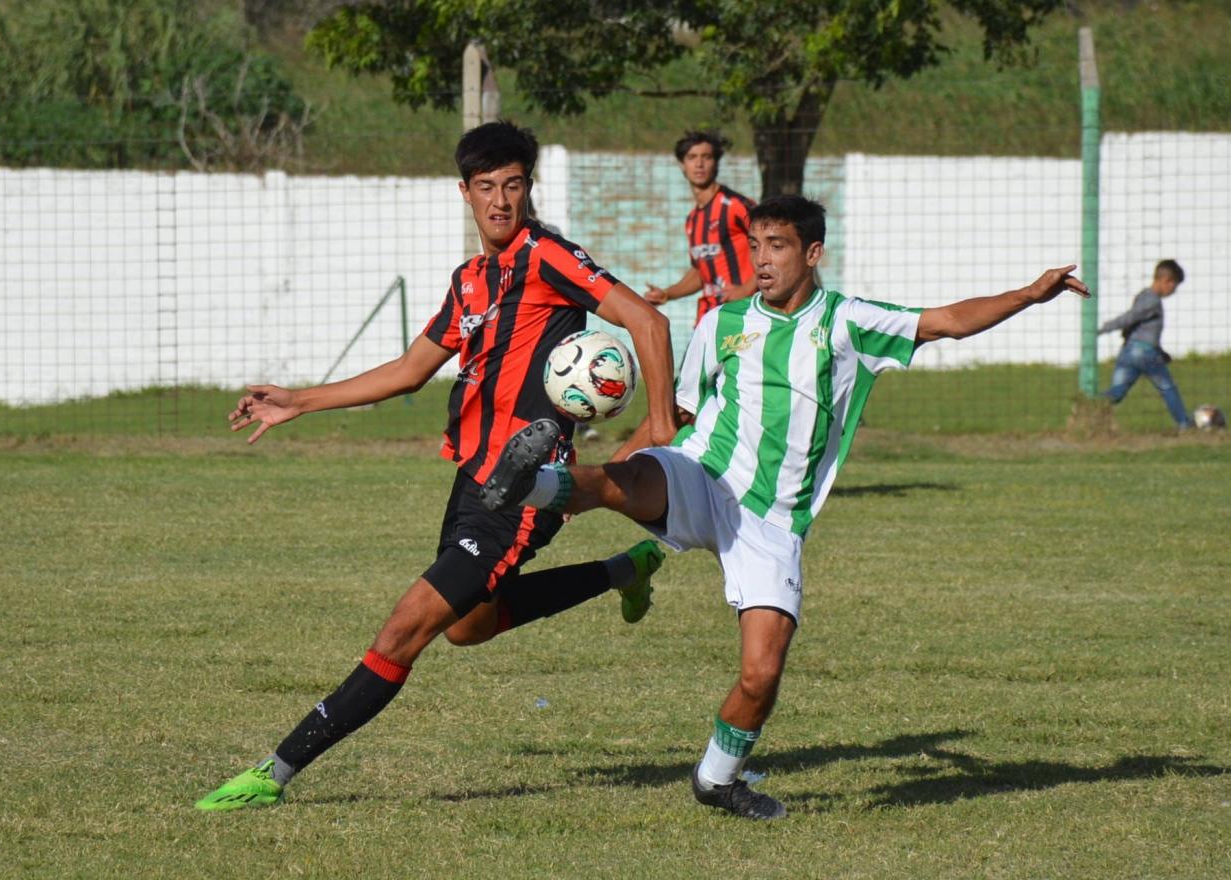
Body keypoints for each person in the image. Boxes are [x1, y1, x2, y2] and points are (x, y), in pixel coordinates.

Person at [481, 195, 1090, 820]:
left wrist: (1028, 294)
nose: (763, 261)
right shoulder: (722, 322)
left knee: (760, 675)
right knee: (631, 480)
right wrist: (598, 480)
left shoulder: (849, 322)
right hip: (704, 474)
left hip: (771, 521)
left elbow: (949, 320)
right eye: (756, 247)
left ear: (813, 253)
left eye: (778, 247)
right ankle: (527, 483)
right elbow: (679, 420)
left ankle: (717, 780)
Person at [194, 121, 678, 811]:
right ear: (466, 192)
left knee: (404, 630)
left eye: (513, 186)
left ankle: (273, 773)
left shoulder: (549, 257)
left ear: (528, 188)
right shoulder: (472, 281)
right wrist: (298, 400)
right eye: (487, 188)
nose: (501, 201)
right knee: (467, 626)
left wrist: (658, 435)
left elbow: (648, 324)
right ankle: (622, 571)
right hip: (471, 482)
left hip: (522, 487)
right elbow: (411, 369)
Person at [644, 131, 757, 324]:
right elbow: (701, 271)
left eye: (706, 157)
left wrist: (746, 289)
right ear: (682, 164)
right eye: (692, 157)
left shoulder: (736, 206)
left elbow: (774, 248)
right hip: (708, 317)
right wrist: (666, 294)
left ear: (716, 162)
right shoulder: (692, 220)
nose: (699, 164)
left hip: (743, 313)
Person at [1098, 260, 1193, 429]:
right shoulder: (1152, 301)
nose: (1173, 290)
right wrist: (1104, 328)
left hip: (1129, 352)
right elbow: (1131, 317)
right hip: (1146, 354)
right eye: (1174, 286)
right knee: (1167, 388)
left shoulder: (1143, 295)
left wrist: (1161, 351)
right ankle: (1185, 424)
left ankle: (1090, 408)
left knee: (1117, 392)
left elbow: (1138, 328)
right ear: (1166, 281)